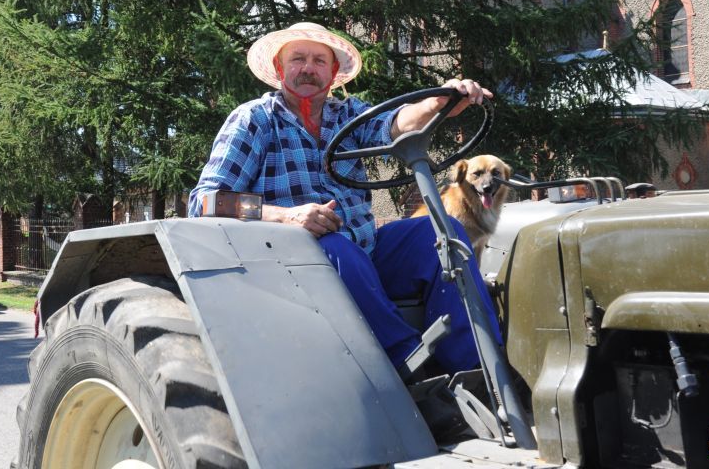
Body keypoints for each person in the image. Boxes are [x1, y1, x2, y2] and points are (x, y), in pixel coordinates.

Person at [189, 21, 500, 374]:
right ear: (279, 68)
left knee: (443, 231)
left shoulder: (348, 115)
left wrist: (436, 103)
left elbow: (395, 124)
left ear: (333, 71)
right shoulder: (254, 120)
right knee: (333, 247)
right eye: (298, 59)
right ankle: (410, 366)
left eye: (319, 61)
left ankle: (479, 368)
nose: (308, 68)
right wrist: (285, 216)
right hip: (290, 267)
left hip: (364, 252)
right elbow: (205, 202)